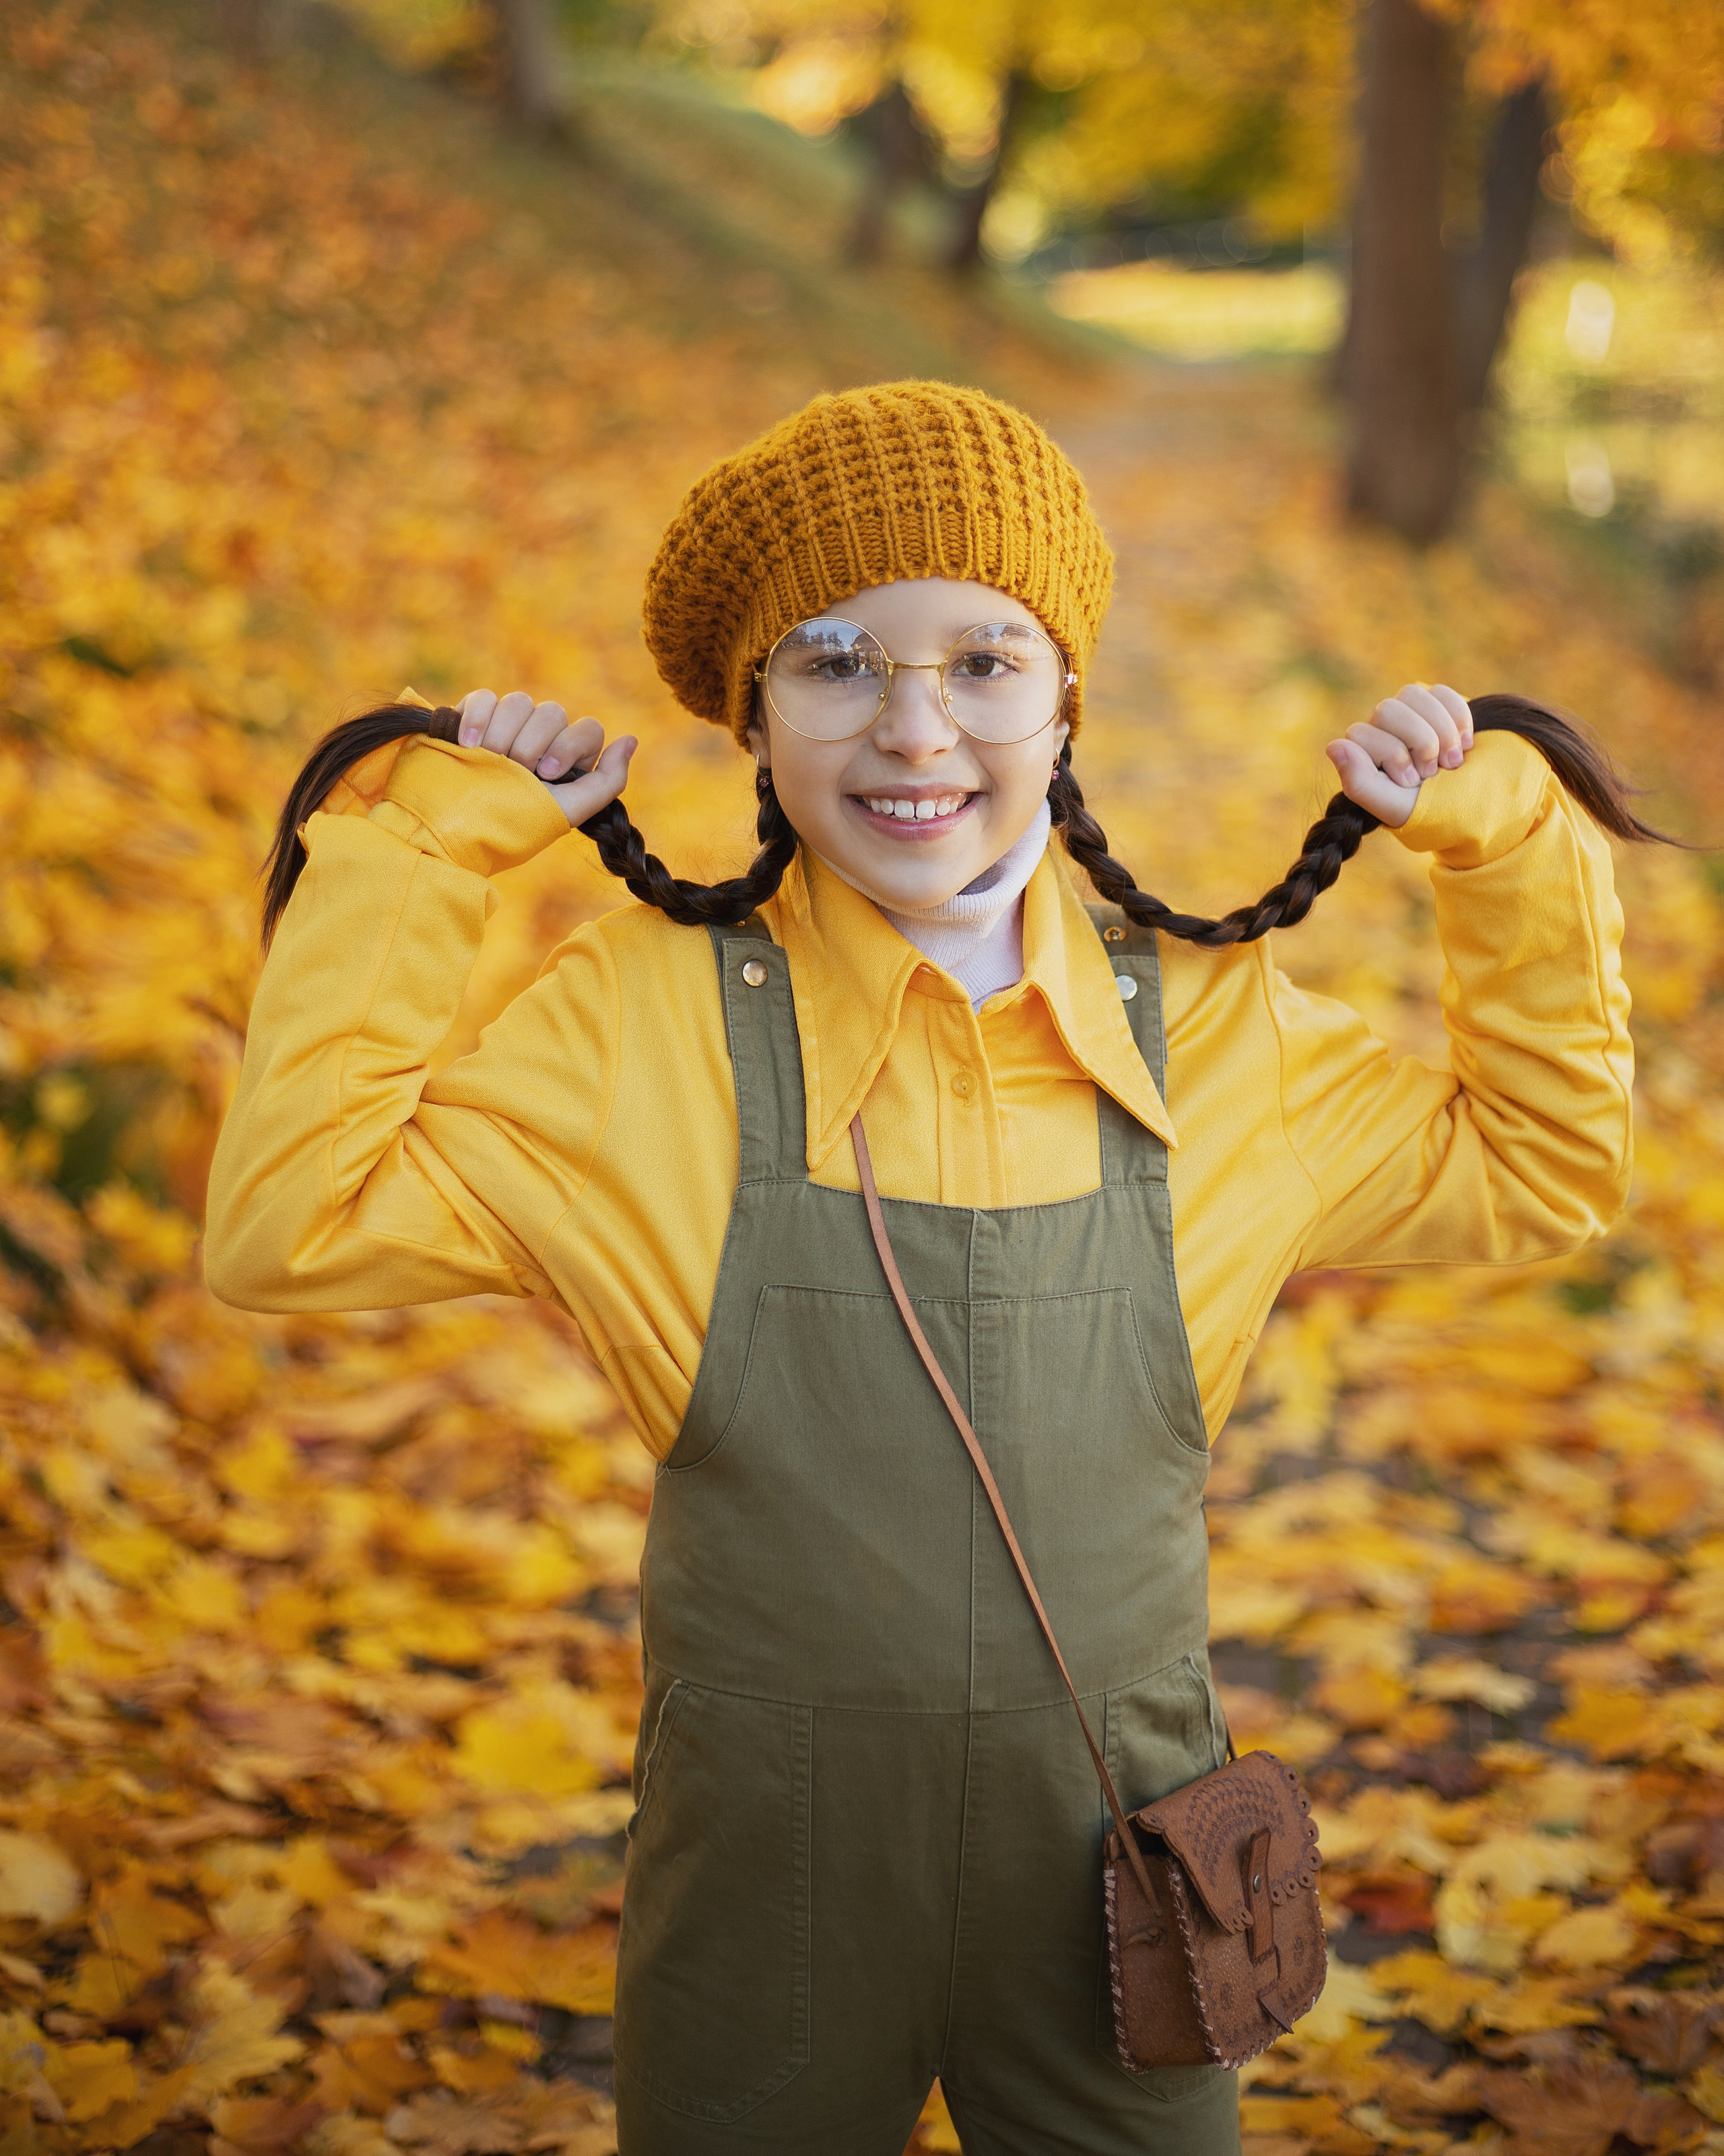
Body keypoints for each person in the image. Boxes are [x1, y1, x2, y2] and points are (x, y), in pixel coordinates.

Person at [206, 381, 1641, 2156]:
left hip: (1125, 1867)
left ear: (1065, 700)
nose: (914, 731)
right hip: (767, 1897)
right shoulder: (642, 1022)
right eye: (834, 664)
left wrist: (1506, 849)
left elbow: (1544, 1172)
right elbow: (291, 1224)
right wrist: (429, 846)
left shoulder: (1212, 1031)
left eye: (984, 662)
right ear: (750, 712)